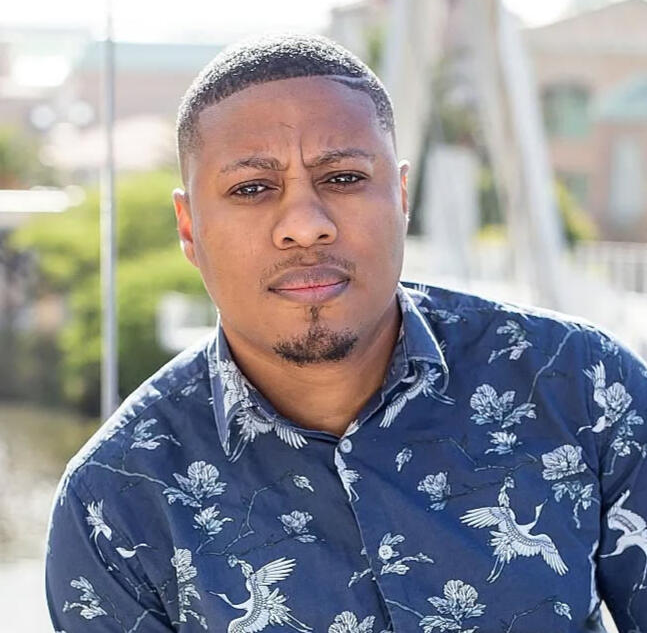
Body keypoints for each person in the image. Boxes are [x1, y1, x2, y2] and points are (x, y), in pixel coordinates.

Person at [46, 34, 646, 633]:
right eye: (252, 188)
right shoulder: (113, 502)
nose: (305, 226)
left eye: (343, 178)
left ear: (402, 196)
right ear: (188, 228)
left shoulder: (585, 386)